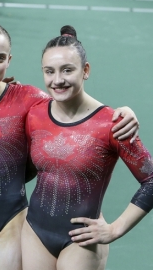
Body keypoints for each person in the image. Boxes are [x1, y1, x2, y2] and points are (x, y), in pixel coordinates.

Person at [0, 21, 139, 270]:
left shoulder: (30, 100)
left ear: (9, 60)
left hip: (23, 223)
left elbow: (71, 112)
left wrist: (125, 111)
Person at [21, 25, 152, 270]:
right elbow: (30, 168)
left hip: (81, 241)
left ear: (86, 70)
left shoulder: (113, 123)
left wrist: (115, 229)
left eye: (67, 70)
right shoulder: (35, 114)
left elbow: (152, 179)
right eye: (49, 71)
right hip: (34, 233)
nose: (57, 80)